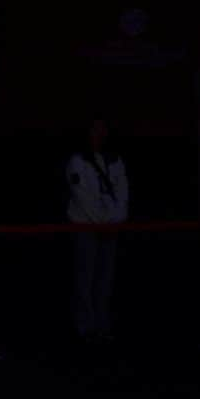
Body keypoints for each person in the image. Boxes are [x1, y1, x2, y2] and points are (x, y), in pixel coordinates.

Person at [66, 118, 129, 342]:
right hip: (85, 228)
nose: (101, 133)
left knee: (105, 279)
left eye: (104, 128)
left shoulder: (115, 160)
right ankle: (85, 327)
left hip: (110, 228)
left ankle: (102, 324)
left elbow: (122, 194)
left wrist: (114, 220)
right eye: (96, 128)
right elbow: (82, 196)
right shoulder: (77, 161)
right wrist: (101, 221)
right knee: (85, 278)